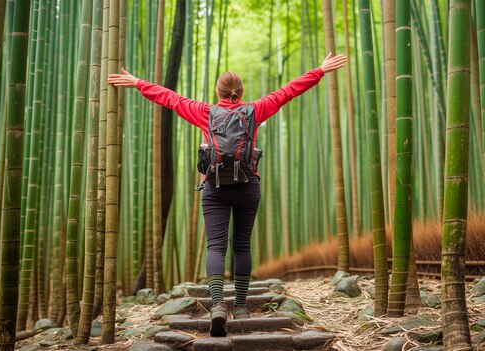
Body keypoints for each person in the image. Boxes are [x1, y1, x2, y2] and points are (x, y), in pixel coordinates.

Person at [108, 53, 347, 337]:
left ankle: (219, 305)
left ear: (218, 92)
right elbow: (288, 91)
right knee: (242, 246)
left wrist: (138, 82)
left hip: (215, 187)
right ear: (241, 92)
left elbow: (170, 98)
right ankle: (242, 306)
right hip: (248, 185)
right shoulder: (256, 110)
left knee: (216, 247)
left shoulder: (205, 112)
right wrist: (319, 69)